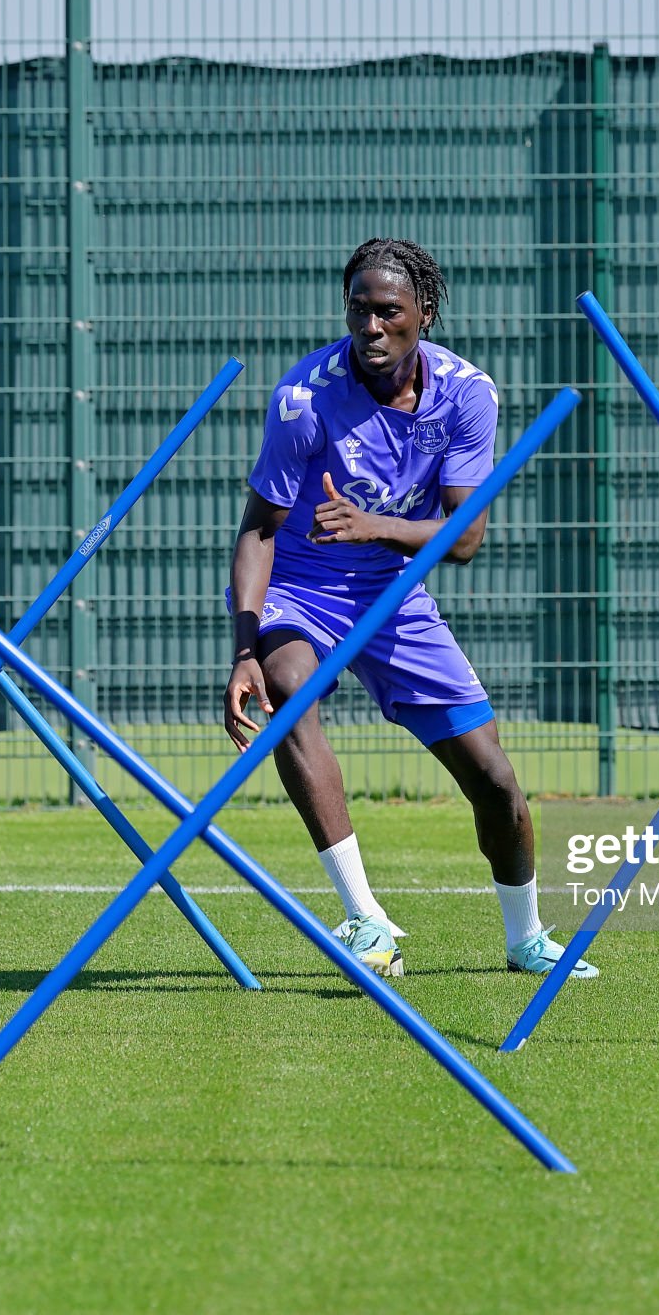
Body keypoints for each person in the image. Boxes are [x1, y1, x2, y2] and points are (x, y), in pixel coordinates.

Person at [223, 237, 597, 982]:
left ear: (422, 312)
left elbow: (465, 538)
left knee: (493, 778)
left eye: (388, 311)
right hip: (303, 586)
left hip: (398, 589)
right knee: (291, 688)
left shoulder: (467, 395)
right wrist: (243, 648)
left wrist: (378, 528)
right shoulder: (304, 401)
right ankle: (366, 919)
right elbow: (259, 529)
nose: (370, 327)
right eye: (358, 310)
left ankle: (526, 939)